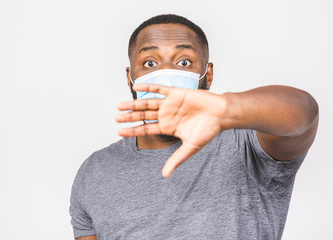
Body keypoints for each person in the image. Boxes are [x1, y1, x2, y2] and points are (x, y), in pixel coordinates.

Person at [69, 14, 319, 240]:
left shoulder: (248, 144)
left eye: (184, 62)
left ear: (207, 75)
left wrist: (226, 109)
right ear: (130, 77)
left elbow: (304, 113)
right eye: (150, 63)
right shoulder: (95, 171)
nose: (166, 73)